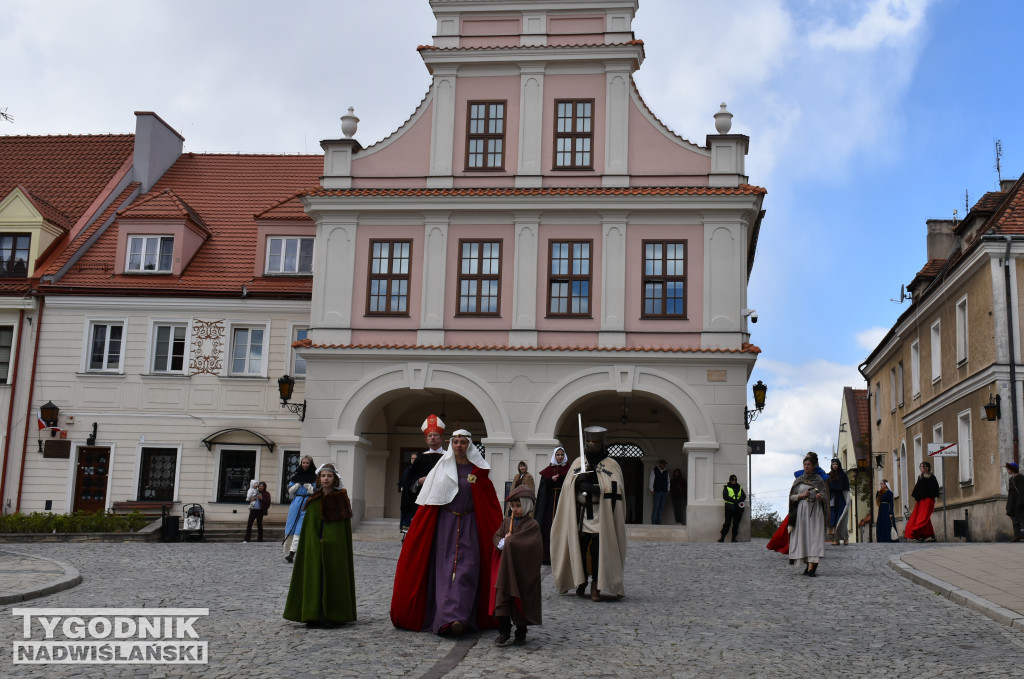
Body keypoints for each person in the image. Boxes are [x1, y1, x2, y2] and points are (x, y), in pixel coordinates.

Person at [390, 429, 503, 635]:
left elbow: (488, 503)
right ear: (451, 445)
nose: (459, 445)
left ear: (469, 445)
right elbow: (429, 500)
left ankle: (460, 617)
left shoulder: (479, 472)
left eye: (463, 442)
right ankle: (446, 618)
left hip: (470, 525)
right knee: (444, 571)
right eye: (456, 442)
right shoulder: (440, 469)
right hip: (445, 525)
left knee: (466, 570)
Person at [551, 426, 627, 602]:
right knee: (580, 547)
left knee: (597, 549)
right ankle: (581, 580)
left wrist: (596, 487)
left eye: (595, 442)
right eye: (589, 442)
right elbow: (567, 486)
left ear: (602, 444)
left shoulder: (612, 464)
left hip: (603, 514)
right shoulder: (578, 463)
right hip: (580, 514)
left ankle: (597, 584)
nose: (592, 445)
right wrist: (578, 482)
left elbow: (617, 488)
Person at [283, 463, 356, 626]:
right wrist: (314, 541)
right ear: (319, 478)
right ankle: (313, 614)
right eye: (323, 476)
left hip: (334, 548)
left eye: (329, 476)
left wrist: (332, 540)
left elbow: (342, 529)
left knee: (334, 578)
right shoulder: (314, 500)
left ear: (335, 479)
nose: (326, 479)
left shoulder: (341, 499)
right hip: (315, 547)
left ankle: (334, 615)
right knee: (315, 578)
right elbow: (309, 526)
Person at [489, 485, 542, 646]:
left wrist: (510, 541)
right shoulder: (506, 522)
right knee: (503, 598)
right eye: (513, 506)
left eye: (518, 506)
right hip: (506, 570)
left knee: (521, 600)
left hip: (522, 571)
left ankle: (521, 632)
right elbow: (496, 536)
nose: (515, 509)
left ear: (526, 506)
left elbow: (531, 545)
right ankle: (504, 632)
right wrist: (501, 542)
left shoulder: (532, 525)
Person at [399, 415, 447, 526]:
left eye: (436, 435)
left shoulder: (448, 457)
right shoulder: (420, 458)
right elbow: (408, 481)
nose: (433, 437)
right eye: (430, 435)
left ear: (441, 438)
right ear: (426, 440)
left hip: (444, 499)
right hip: (424, 500)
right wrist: (420, 481)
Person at [788, 452, 829, 576]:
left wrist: (820, 497)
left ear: (813, 466)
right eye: (805, 464)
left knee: (814, 538)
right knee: (804, 538)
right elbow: (791, 497)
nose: (806, 466)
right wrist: (801, 495)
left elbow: (825, 497)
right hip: (801, 512)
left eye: (809, 464)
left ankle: (813, 567)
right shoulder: (799, 480)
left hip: (815, 512)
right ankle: (807, 565)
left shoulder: (819, 480)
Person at [535, 446, 569, 565]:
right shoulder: (548, 470)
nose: (560, 457)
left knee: (562, 527)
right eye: (558, 455)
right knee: (548, 527)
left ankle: (561, 557)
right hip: (549, 503)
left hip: (563, 501)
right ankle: (547, 556)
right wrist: (550, 480)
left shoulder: (569, 470)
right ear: (554, 456)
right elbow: (543, 488)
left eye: (561, 454)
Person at [283, 455, 317, 562]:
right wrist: (297, 486)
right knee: (291, 525)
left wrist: (309, 487)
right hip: (296, 502)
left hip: (307, 502)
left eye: (307, 463)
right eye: (303, 463)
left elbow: (316, 491)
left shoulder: (314, 477)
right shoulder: (296, 476)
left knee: (300, 527)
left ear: (310, 464)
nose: (305, 465)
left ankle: (292, 553)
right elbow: (289, 490)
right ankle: (289, 549)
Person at [905, 461, 940, 542]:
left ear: (927, 468)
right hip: (921, 501)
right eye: (920, 467)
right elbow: (917, 488)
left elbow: (934, 488)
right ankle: (928, 536)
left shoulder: (931, 477)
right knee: (924, 518)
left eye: (922, 466)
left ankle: (917, 531)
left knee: (923, 517)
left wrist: (929, 496)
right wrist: (918, 497)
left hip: (928, 500)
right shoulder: (920, 477)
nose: (921, 468)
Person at [827, 458, 850, 545]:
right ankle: (836, 539)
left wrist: (847, 500)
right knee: (834, 520)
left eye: (836, 464)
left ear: (839, 465)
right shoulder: (829, 476)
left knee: (842, 519)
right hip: (833, 499)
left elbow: (846, 489)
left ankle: (845, 538)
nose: (834, 466)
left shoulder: (843, 475)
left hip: (841, 499)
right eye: (833, 464)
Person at [718, 474, 746, 542]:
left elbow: (743, 496)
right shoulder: (726, 487)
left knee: (736, 524)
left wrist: (738, 501)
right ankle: (722, 537)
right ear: (730, 480)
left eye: (735, 480)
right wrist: (734, 501)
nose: (734, 481)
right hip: (729, 508)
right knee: (727, 523)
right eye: (733, 480)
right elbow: (725, 496)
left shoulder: (739, 487)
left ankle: (734, 538)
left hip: (738, 508)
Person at [398, 452, 418, 533]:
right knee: (405, 511)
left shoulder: (420, 470)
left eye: (415, 459)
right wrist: (403, 487)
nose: (413, 460)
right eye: (412, 458)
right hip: (406, 496)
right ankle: (404, 528)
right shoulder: (407, 469)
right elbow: (402, 481)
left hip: (416, 496)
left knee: (413, 514)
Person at [1006, 462, 1024, 542]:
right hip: (1012, 502)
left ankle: (1022, 535)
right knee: (1014, 519)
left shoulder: (1021, 477)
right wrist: (1008, 505)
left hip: (1019, 502)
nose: (1007, 470)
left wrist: (1020, 502)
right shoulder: (1011, 479)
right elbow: (1010, 493)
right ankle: (1016, 536)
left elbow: (1022, 490)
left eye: (1009, 468)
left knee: (1021, 519)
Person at [649, 459, 669, 525]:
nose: (663, 465)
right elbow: (651, 480)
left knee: (661, 508)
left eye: (664, 464)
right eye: (662, 464)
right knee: (656, 507)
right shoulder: (654, 471)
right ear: (659, 464)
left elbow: (668, 481)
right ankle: (654, 521)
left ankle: (658, 521)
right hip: (656, 492)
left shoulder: (666, 472)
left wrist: (668, 489)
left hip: (664, 492)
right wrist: (652, 489)